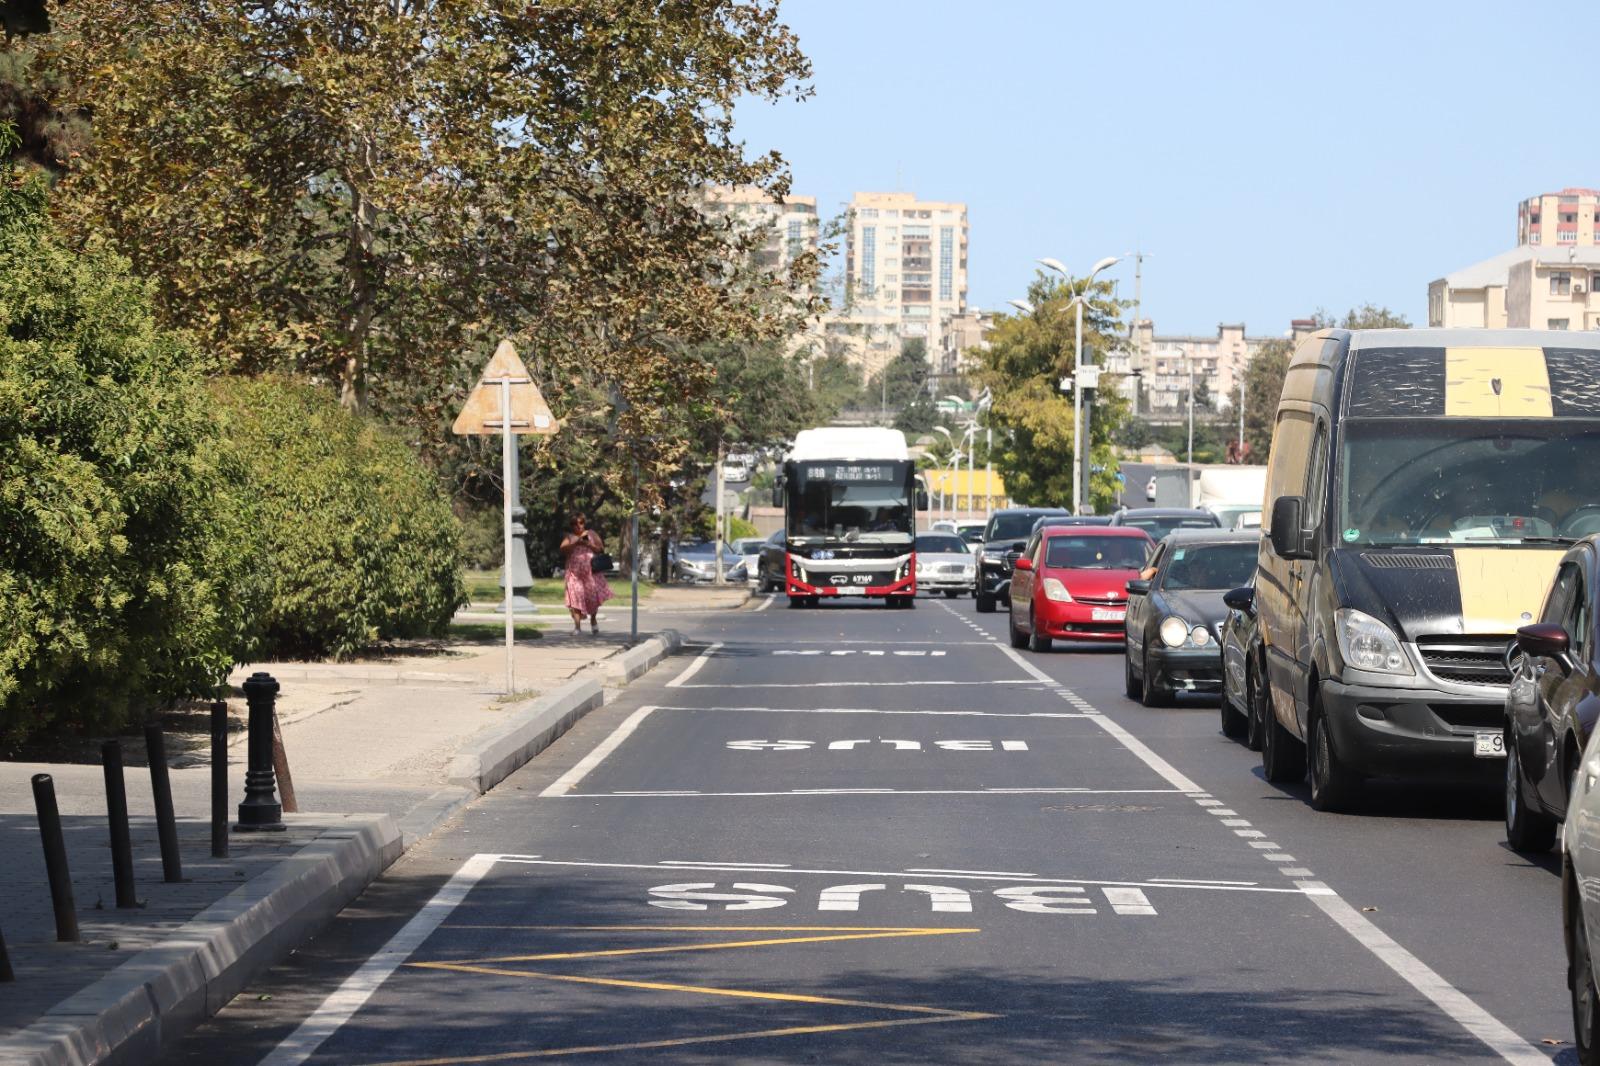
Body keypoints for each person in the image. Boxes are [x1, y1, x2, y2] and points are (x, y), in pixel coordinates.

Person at [560, 513, 613, 634]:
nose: (578, 526)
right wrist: (576, 543)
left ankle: (593, 620)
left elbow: (600, 548)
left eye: (581, 523)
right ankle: (577, 627)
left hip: (591, 573)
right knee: (575, 599)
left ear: (584, 523)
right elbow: (562, 549)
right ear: (571, 525)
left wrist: (589, 544)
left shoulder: (591, 534)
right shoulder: (570, 537)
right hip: (574, 574)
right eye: (575, 524)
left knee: (593, 598)